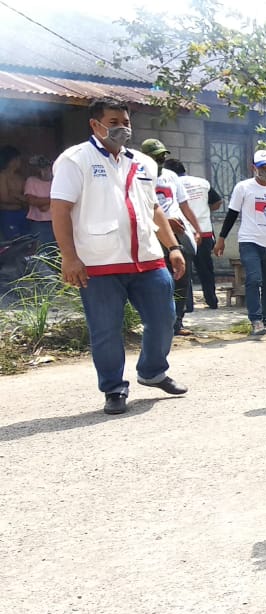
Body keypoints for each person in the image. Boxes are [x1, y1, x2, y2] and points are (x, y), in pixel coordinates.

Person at [49, 98, 188, 415]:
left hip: (148, 258)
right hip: (99, 261)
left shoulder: (143, 162)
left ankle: (153, 372)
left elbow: (153, 208)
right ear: (95, 125)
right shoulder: (75, 160)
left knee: (164, 319)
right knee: (106, 330)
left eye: (125, 122)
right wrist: (69, 258)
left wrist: (173, 247)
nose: (121, 128)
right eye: (113, 122)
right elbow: (60, 209)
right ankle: (113, 388)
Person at [215, 150, 266, 337]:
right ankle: (256, 321)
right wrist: (221, 239)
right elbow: (231, 214)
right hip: (249, 241)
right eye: (262, 167)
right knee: (254, 279)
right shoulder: (244, 187)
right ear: (253, 167)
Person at [140, 139, 204, 336]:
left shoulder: (171, 177)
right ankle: (160, 323)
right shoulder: (139, 176)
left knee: (182, 279)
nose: (160, 160)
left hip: (178, 235)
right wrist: (166, 222)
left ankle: (178, 322)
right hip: (155, 236)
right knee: (161, 281)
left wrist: (197, 228)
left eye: (162, 156)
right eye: (156, 157)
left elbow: (184, 205)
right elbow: (142, 208)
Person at [165, 158, 222, 309]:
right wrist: (204, 210)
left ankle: (187, 306)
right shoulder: (202, 183)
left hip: (182, 233)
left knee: (184, 270)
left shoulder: (170, 183)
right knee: (206, 269)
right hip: (204, 231)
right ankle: (212, 301)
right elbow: (217, 202)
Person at [23, 155, 54, 254]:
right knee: (41, 250)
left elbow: (64, 198)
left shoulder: (56, 180)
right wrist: (51, 200)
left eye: (47, 168)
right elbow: (32, 201)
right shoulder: (31, 181)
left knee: (56, 250)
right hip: (39, 223)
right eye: (42, 168)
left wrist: (43, 203)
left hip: (56, 220)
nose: (45, 171)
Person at [0, 146, 28, 241]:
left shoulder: (20, 177)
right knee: (13, 242)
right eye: (17, 159)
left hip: (23, 213)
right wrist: (21, 199)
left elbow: (27, 197)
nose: (19, 161)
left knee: (26, 240)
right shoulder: (2, 176)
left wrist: (15, 195)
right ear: (11, 160)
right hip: (8, 214)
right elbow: (4, 198)